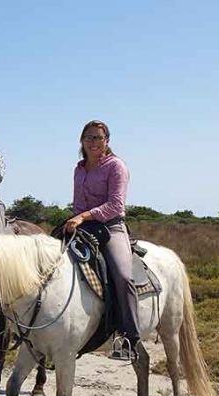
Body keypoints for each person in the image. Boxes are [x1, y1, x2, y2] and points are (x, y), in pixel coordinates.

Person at [64, 120, 140, 360]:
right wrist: (77, 219)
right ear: (81, 141)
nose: (93, 142)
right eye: (89, 137)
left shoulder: (116, 166)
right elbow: (77, 202)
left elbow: (115, 205)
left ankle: (129, 337)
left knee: (122, 275)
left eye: (98, 137)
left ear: (107, 140)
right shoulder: (79, 168)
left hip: (111, 226)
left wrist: (83, 216)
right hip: (84, 225)